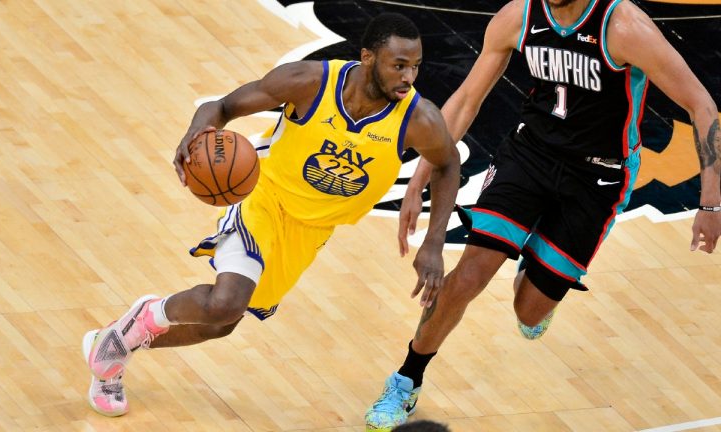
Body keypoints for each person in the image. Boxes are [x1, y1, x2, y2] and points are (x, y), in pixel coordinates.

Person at [80, 12, 460, 417]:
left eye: (415, 66)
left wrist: (434, 241)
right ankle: (138, 322)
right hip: (264, 198)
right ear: (368, 57)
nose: (409, 77)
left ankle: (117, 343)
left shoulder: (419, 120)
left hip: (311, 230)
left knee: (220, 324)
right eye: (398, 65)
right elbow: (221, 106)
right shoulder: (309, 82)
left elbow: (447, 164)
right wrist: (195, 134)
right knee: (226, 302)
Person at [365, 0, 721, 429]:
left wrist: (711, 202)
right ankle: (407, 378)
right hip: (529, 155)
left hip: (597, 178)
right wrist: (423, 174)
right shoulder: (519, 16)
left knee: (528, 312)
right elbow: (466, 100)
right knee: (470, 273)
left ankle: (534, 263)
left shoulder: (624, 27)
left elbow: (702, 105)